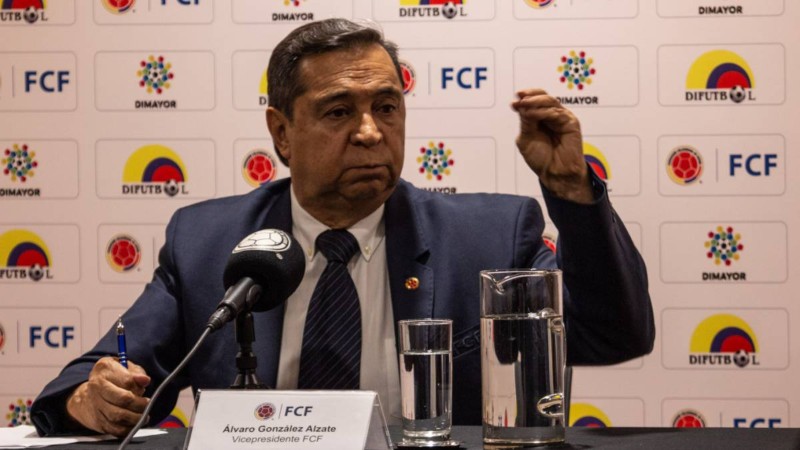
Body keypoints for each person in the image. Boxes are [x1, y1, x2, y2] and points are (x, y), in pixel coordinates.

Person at [31, 18, 654, 437]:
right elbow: (88, 381)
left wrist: (573, 193)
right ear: (281, 133)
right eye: (338, 112)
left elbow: (613, 336)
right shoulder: (208, 241)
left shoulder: (489, 236)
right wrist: (93, 399)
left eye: (386, 107)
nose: (370, 132)